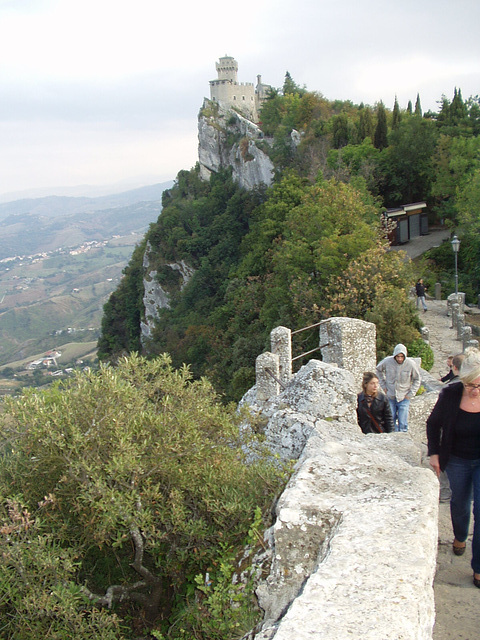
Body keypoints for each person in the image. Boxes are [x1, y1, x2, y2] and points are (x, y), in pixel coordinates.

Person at [427, 347, 480, 588]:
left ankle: (478, 567)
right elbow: (433, 423)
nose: (475, 391)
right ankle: (460, 536)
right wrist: (434, 453)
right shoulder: (450, 394)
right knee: (460, 504)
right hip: (457, 458)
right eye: (471, 386)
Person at [438, 353, 466, 502]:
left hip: (451, 433)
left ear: (454, 367)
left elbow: (439, 417)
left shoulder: (449, 389)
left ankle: (446, 493)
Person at [376, 344, 421, 432]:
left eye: (401, 357)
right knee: (390, 418)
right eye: (398, 356)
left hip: (404, 396)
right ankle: (392, 437)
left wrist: (410, 394)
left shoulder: (411, 364)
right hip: (391, 395)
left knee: (403, 421)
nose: (399, 359)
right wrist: (383, 386)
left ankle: (403, 438)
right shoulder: (387, 362)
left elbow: (417, 379)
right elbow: (378, 370)